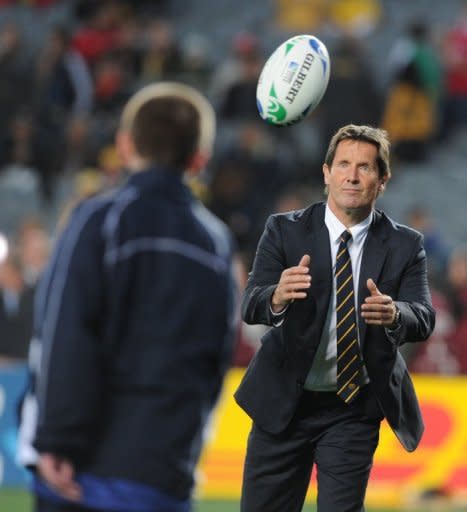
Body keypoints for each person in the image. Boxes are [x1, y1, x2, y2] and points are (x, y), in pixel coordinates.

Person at [17, 81, 238, 512]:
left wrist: (56, 441)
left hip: (85, 473)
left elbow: (64, 332)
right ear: (199, 160)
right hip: (165, 475)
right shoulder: (216, 244)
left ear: (123, 145)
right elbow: (215, 361)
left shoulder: (99, 218)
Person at [235, 124, 435, 512]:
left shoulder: (406, 244)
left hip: (353, 408)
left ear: (382, 180)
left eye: (365, 167)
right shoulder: (283, 230)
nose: (352, 175)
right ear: (326, 174)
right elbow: (251, 304)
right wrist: (276, 296)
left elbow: (423, 316)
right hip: (284, 404)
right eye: (343, 164)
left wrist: (395, 313)